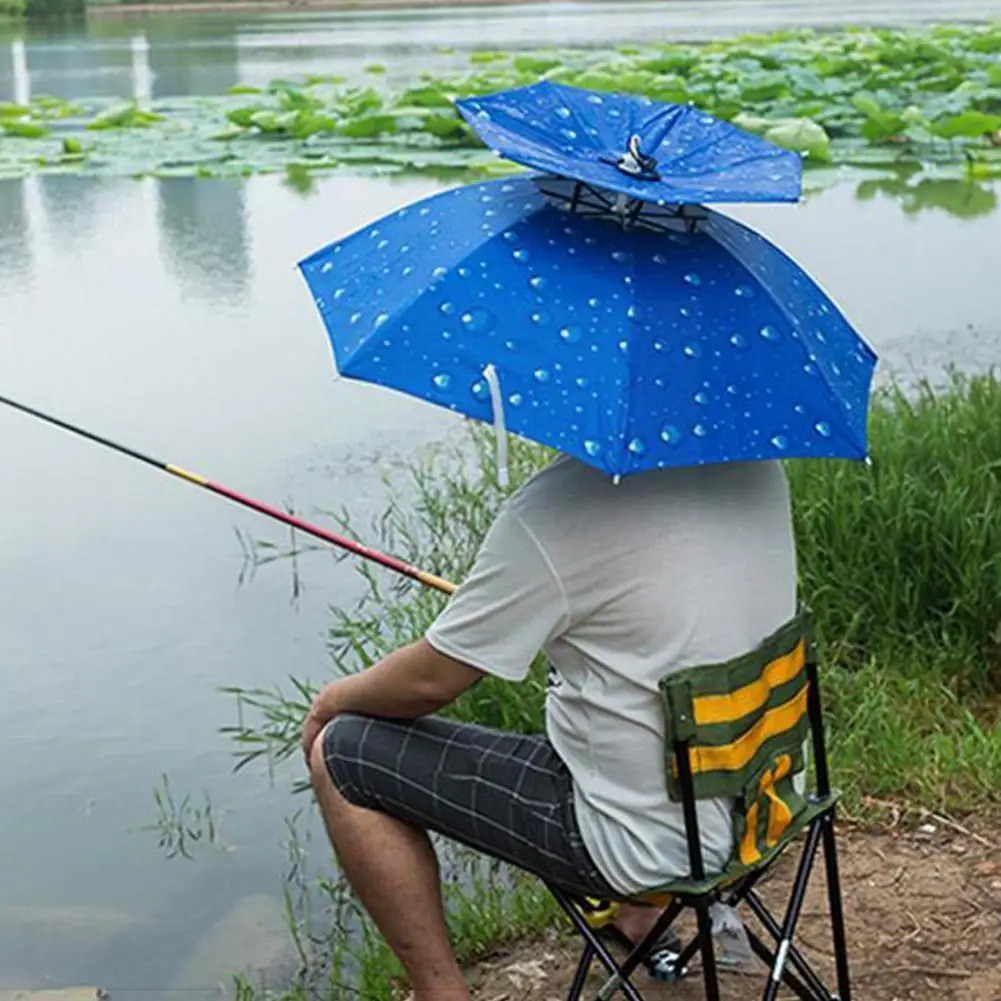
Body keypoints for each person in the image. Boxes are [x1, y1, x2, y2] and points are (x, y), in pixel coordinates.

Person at [302, 453, 798, 1001]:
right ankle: (640, 919)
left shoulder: (561, 505)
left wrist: (329, 701)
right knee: (618, 729)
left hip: (639, 846)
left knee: (343, 751)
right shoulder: (755, 467)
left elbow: (431, 681)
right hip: (765, 806)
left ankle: (439, 992)